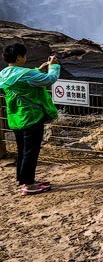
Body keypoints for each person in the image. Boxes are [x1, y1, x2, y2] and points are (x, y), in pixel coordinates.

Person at [0, 43, 60, 195]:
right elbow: (49, 79)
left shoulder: (4, 73)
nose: (25, 58)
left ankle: (25, 180)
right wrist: (54, 67)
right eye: (24, 55)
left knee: (23, 151)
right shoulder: (27, 74)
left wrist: (39, 70)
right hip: (31, 118)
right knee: (31, 152)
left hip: (15, 118)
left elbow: (22, 81)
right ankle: (29, 185)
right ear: (19, 57)